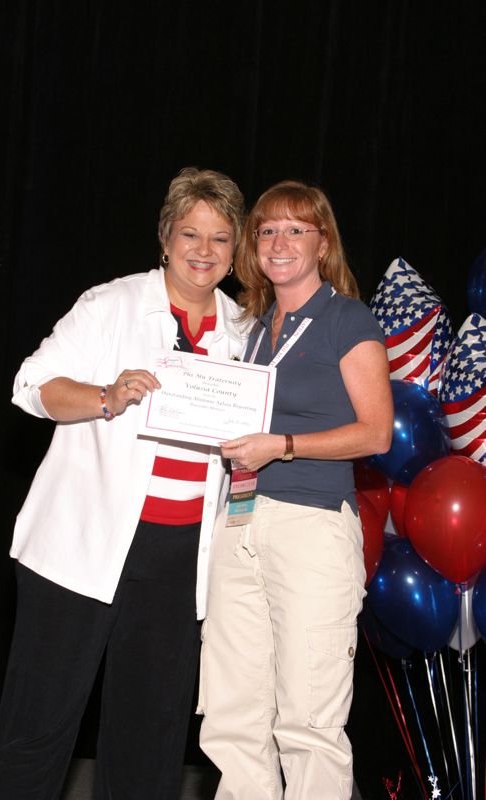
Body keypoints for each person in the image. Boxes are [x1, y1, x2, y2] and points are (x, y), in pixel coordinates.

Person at [0, 167, 251, 800]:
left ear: (236, 251)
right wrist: (106, 395)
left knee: (149, 739)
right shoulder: (111, 304)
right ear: (164, 238)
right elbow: (32, 385)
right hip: (81, 547)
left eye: (219, 238)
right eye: (190, 234)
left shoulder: (245, 332)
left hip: (180, 556)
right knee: (38, 727)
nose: (203, 251)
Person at [199, 180, 393, 800]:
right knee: (232, 716)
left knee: (308, 722)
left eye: (295, 230)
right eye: (267, 230)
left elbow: (377, 433)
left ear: (323, 242)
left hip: (312, 527)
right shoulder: (252, 328)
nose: (279, 242)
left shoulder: (347, 319)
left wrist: (282, 445)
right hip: (241, 521)